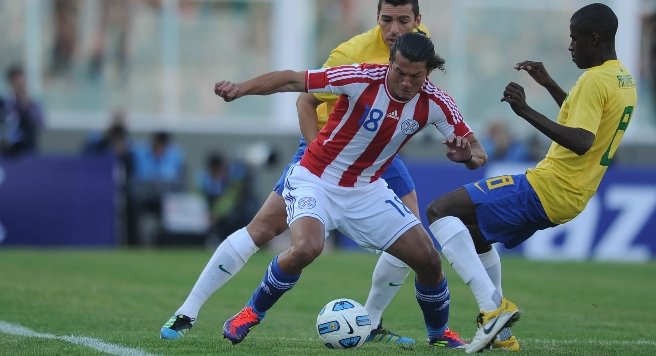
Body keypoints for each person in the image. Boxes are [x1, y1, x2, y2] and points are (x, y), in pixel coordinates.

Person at [160, 0, 476, 347]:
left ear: (419, 25)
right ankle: (242, 312)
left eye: (403, 21)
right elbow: (297, 86)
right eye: (388, 20)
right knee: (299, 243)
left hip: (370, 180)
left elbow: (475, 151)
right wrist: (242, 89)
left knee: (426, 256)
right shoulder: (353, 63)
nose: (395, 29)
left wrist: (466, 157)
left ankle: (428, 332)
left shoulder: (432, 90)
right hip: (319, 168)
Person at [425, 3, 635, 353]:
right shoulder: (622, 78)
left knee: (439, 211)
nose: (570, 46)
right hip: (571, 195)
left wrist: (524, 110)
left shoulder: (594, 80)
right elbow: (585, 119)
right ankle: (502, 335)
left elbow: (582, 141)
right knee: (475, 234)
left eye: (575, 39)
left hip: (549, 186)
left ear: (594, 38)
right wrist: (549, 83)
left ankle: (492, 311)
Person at [0, 65, 45, 157]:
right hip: (4, 151)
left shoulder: (33, 104)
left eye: (21, 84)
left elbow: (40, 126)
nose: (19, 87)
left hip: (26, 151)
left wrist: (26, 106)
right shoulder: (3, 103)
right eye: (16, 83)